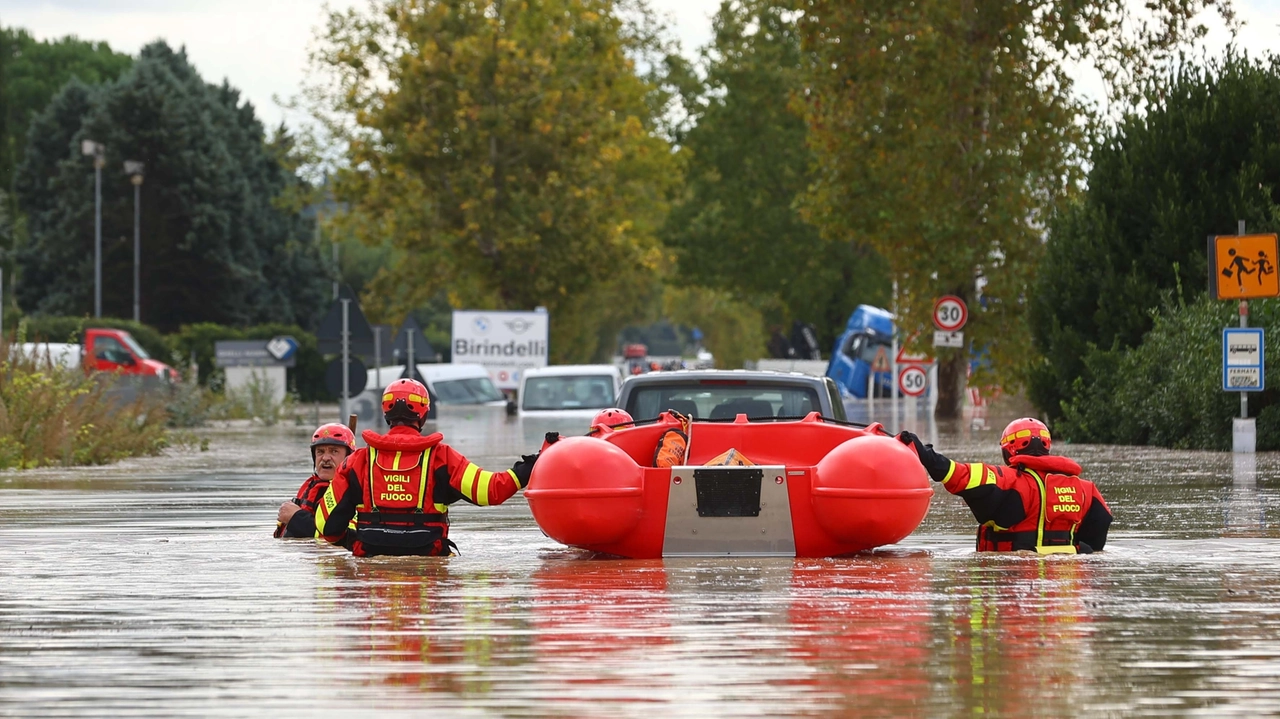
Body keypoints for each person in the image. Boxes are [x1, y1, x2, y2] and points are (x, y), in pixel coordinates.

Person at [314, 378, 538, 557]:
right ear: (424, 414)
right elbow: (491, 490)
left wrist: (355, 542)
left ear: (386, 414)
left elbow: (326, 524)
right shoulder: (443, 457)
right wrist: (531, 465)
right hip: (429, 567)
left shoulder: (357, 461)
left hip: (370, 565)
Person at [897, 418, 1112, 554]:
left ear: (1009, 450)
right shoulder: (1085, 489)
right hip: (1062, 587)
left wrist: (922, 452)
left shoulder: (1005, 479)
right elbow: (1097, 539)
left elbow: (956, 473)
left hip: (1013, 583)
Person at [275, 423, 356, 538]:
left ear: (349, 457)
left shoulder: (354, 493)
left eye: (334, 451)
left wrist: (296, 517)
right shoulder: (313, 486)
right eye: (320, 452)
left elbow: (342, 539)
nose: (325, 458)